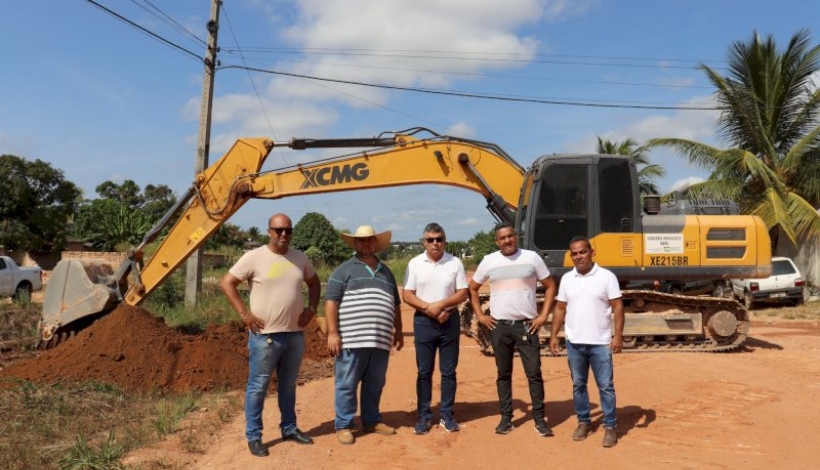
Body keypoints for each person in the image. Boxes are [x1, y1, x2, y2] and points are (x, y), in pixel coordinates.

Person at [220, 213, 321, 458]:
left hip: (294, 335)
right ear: (269, 231)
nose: (283, 234)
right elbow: (227, 283)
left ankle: (289, 428)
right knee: (258, 387)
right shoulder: (254, 257)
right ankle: (254, 436)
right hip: (264, 337)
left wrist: (311, 309)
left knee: (288, 386)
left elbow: (315, 283)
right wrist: (245, 314)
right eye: (278, 230)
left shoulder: (299, 258)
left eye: (287, 230)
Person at [468, 221, 557, 437]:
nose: (507, 241)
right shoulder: (490, 261)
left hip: (527, 326)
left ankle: (539, 419)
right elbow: (472, 287)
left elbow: (550, 285)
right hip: (500, 327)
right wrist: (480, 315)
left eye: (510, 236)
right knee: (503, 374)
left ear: (515, 236)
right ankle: (506, 419)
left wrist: (543, 315)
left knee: (534, 373)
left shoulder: (532, 258)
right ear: (496, 241)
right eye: (502, 238)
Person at [325, 225, 404, 445]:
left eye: (370, 240)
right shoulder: (344, 270)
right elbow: (331, 301)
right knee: (347, 383)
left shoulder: (386, 271)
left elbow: (395, 305)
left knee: (375, 383)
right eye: (361, 241)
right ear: (356, 244)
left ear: (375, 243)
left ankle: (371, 420)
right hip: (351, 339)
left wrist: (398, 331)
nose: (366, 244)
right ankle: (343, 425)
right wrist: (333, 333)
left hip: (379, 340)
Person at [549, 235, 624, 448]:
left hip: (600, 342)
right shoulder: (567, 279)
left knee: (606, 386)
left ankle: (610, 426)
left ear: (592, 252)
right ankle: (584, 422)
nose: (578, 256)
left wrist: (618, 335)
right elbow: (560, 308)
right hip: (575, 342)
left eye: (582, 252)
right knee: (578, 385)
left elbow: (617, 306)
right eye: (574, 253)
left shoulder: (606, 277)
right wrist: (554, 335)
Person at [402, 223, 468, 434]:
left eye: (439, 239)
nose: (435, 243)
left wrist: (440, 307)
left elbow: (462, 293)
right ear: (424, 242)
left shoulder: (455, 262)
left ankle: (447, 414)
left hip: (449, 320)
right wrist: (429, 309)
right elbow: (407, 294)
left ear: (444, 241)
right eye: (430, 240)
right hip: (424, 322)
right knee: (424, 372)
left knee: (448, 371)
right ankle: (424, 415)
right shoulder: (415, 263)